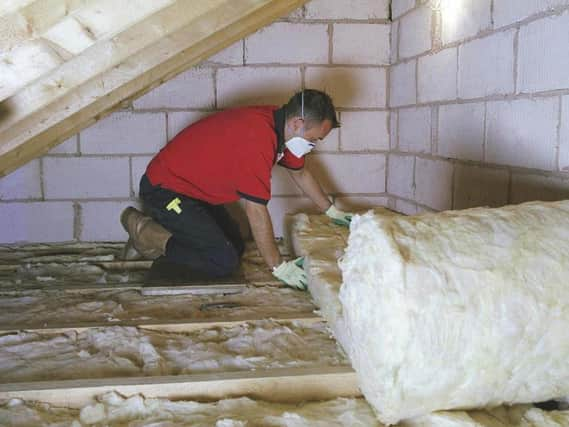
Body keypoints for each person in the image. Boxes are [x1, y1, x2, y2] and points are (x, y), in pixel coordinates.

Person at [120, 89, 353, 290]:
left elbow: (300, 173)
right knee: (222, 261)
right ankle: (146, 234)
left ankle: (161, 232)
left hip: (193, 192)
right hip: (165, 190)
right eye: (314, 139)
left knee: (236, 245)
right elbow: (256, 210)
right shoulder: (258, 138)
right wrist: (277, 266)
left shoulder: (280, 127)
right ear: (297, 124)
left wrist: (331, 211)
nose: (313, 146)